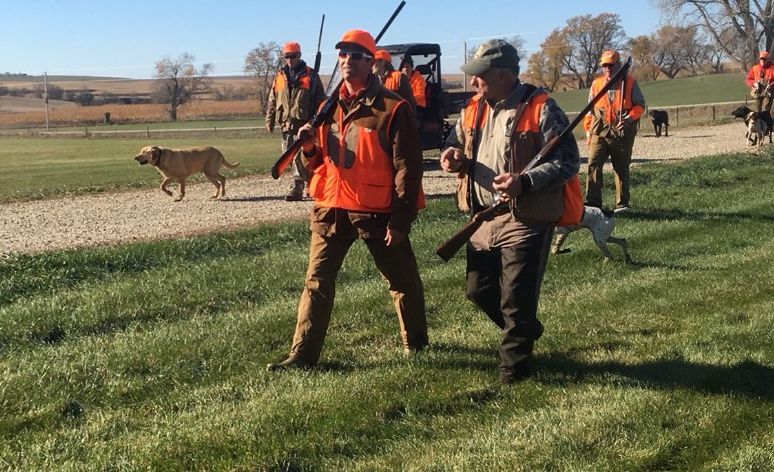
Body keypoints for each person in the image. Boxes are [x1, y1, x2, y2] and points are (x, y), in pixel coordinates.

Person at [268, 29, 428, 371]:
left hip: (377, 211)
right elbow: (318, 161)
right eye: (343, 55)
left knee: (402, 282)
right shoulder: (328, 108)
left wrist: (401, 220)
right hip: (331, 208)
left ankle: (417, 347)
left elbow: (408, 169)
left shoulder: (391, 108)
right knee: (317, 283)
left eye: (355, 56)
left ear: (371, 63)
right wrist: (309, 145)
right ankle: (302, 355)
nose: (346, 61)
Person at [439, 39, 580, 384]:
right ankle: (525, 330)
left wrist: (526, 182)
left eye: (480, 76)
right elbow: (453, 143)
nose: (473, 81)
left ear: (503, 75)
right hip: (484, 217)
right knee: (478, 290)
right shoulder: (472, 109)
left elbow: (569, 162)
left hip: (527, 217)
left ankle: (513, 372)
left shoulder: (542, 108)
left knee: (516, 298)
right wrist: (451, 156)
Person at [582, 50, 645, 213]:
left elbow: (640, 106)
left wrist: (629, 119)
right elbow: (590, 110)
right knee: (593, 165)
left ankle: (622, 204)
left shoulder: (630, 83)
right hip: (599, 131)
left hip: (622, 132)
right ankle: (593, 203)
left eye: (610, 65)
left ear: (618, 65)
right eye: (604, 65)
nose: (607, 68)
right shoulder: (596, 84)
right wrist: (588, 133)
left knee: (621, 168)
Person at [266, 41, 326, 201]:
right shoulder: (280, 76)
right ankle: (302, 184)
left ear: (299, 55)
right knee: (289, 155)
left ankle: (301, 186)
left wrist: (315, 121)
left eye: (293, 56)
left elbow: (321, 100)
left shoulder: (311, 75)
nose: (290, 59)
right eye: (286, 56)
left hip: (304, 124)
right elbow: (272, 98)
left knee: (303, 156)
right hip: (285, 123)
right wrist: (269, 119)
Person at [745, 51, 774, 116]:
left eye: (764, 59)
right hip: (758, 92)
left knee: (766, 109)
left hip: (768, 92)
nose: (762, 60)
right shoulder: (755, 68)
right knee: (757, 110)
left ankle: (766, 124)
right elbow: (748, 79)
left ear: (768, 59)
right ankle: (759, 124)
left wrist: (772, 84)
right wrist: (754, 83)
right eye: (761, 59)